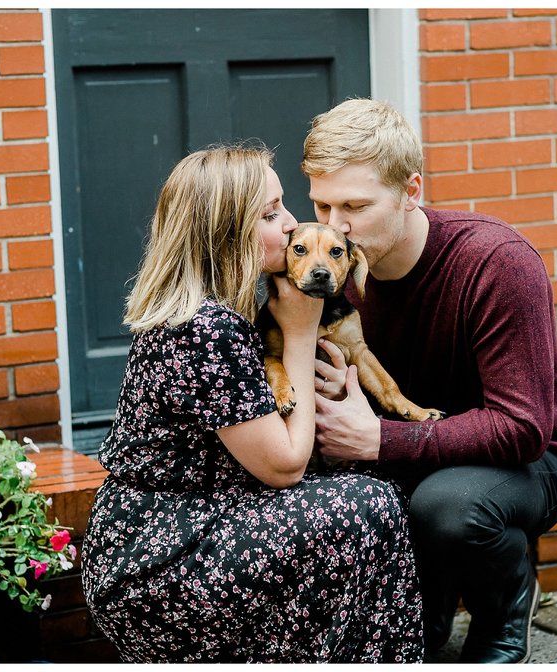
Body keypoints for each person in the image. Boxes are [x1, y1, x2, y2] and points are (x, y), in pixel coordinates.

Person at [80, 143, 424, 663]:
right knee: (364, 505)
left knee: (370, 492)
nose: (291, 225)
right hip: (163, 559)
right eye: (270, 214)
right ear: (227, 232)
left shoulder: (224, 312)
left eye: (284, 206)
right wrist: (303, 332)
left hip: (202, 526)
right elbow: (286, 465)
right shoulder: (203, 328)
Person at [302, 99, 557, 664]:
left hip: (533, 459)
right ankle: (428, 608)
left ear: (412, 190)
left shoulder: (494, 262)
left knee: (449, 506)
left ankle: (503, 611)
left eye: (355, 206)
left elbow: (523, 427)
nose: (335, 225)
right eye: (321, 203)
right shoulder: (328, 268)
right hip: (417, 445)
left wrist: (379, 442)